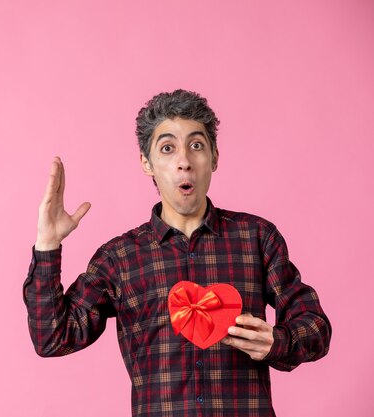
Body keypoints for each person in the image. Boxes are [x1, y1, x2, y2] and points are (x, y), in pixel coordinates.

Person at [23, 89, 331, 417]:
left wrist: (278, 341)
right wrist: (48, 244)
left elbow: (315, 326)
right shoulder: (119, 259)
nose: (184, 161)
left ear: (214, 157)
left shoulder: (257, 238)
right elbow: (52, 338)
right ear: (147, 163)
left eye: (196, 146)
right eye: (168, 148)